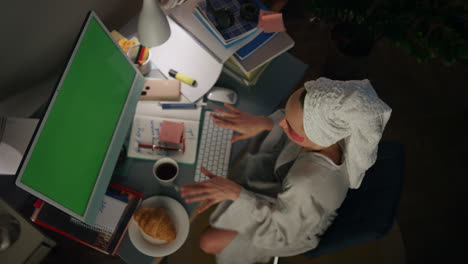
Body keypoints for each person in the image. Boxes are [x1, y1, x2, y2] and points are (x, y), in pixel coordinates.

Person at [180, 78, 392, 264]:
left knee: (208, 242)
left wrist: (235, 193)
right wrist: (265, 122)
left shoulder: (307, 183)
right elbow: (290, 117)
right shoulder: (334, 128)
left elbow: (281, 232)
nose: (281, 122)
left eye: (288, 125)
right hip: (289, 197)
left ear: (314, 138)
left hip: (289, 228)